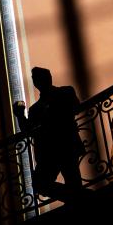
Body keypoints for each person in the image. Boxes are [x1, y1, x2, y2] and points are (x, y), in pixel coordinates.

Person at [13, 67, 85, 203]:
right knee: (40, 183)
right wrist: (20, 115)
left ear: (48, 78)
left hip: (66, 144)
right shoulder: (35, 109)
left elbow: (76, 108)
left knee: (71, 179)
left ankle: (79, 197)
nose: (37, 81)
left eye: (38, 77)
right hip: (50, 152)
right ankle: (80, 196)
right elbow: (28, 131)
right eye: (35, 79)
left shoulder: (65, 91)